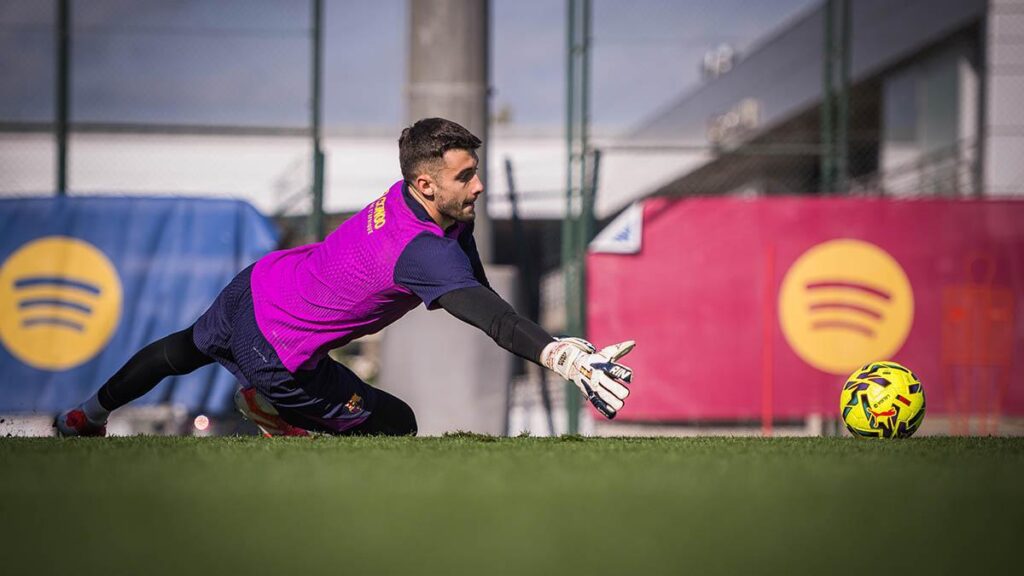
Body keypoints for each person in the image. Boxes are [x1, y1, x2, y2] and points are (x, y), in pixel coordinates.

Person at [54, 117, 634, 438]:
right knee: (396, 425)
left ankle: (85, 416)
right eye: (465, 176)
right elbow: (494, 319)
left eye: (476, 172)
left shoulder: (424, 203)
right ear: (426, 185)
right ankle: (271, 406)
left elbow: (478, 290)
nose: (478, 185)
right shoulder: (423, 250)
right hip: (279, 352)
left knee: (182, 350)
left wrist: (545, 343)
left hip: (259, 284)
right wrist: (561, 356)